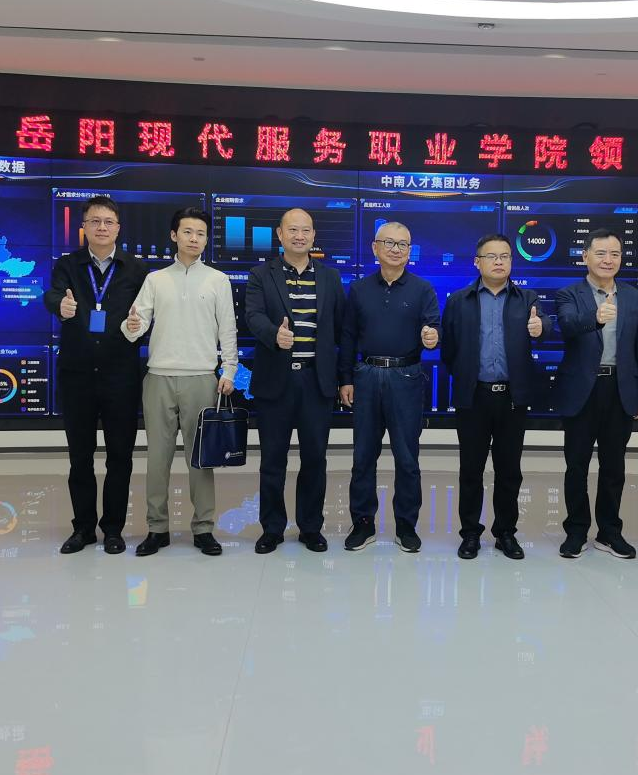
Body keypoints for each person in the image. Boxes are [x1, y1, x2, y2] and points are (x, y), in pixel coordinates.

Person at [123, 207, 236, 557]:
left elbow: (227, 330)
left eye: (200, 233)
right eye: (187, 232)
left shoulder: (217, 280)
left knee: (200, 460)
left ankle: (203, 528)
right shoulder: (156, 279)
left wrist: (229, 371)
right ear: (174, 236)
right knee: (157, 459)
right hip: (158, 378)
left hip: (202, 379)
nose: (194, 239)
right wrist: (131, 326)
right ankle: (157, 528)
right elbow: (136, 324)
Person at [43, 195, 147, 555]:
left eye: (108, 222)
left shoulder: (136, 269)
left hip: (121, 375)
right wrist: (61, 306)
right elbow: (51, 295)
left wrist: (139, 325)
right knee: (80, 457)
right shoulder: (68, 264)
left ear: (118, 228)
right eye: (95, 221)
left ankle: (113, 529)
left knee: (120, 456)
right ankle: (83, 529)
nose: (102, 227)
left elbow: (147, 314)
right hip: (78, 375)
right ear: (84, 227)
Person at [441, 233, 551, 560]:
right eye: (492, 256)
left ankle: (505, 533)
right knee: (471, 470)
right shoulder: (458, 300)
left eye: (505, 256)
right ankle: (470, 534)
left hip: (512, 398)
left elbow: (544, 326)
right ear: (477, 262)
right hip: (473, 397)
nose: (499, 262)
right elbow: (449, 350)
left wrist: (541, 329)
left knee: (509, 470)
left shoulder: (526, 298)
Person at [244, 208, 345, 554]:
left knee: (315, 458)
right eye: (293, 230)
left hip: (316, 382)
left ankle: (310, 527)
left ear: (314, 235)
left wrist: (342, 377)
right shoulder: (261, 274)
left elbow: (340, 328)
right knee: (273, 460)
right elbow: (253, 315)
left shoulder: (330, 278)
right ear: (280, 234)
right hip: (276, 381)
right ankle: (272, 528)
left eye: (306, 231)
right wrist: (274, 335)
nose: (299, 236)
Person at [339, 221, 440, 553]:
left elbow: (433, 329)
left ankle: (406, 525)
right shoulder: (359, 289)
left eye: (403, 244)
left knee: (407, 458)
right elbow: (348, 337)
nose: (396, 249)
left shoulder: (423, 289)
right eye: (389, 243)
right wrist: (346, 379)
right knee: (363, 456)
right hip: (366, 376)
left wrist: (432, 337)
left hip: (406, 377)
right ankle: (363, 523)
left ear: (410, 251)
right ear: (375, 247)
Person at [552, 228, 638, 559]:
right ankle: (576, 531)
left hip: (620, 389)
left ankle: (609, 532)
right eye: (601, 253)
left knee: (614, 467)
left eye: (615, 254)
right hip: (582, 389)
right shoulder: (568, 294)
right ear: (585, 257)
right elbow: (566, 326)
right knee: (576, 465)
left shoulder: (633, 296)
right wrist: (595, 317)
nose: (609, 260)